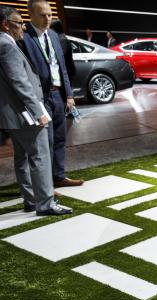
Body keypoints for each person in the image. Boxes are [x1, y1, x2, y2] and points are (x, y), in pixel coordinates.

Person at [0, 6, 72, 216]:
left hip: (13, 115)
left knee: (21, 158)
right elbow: (19, 82)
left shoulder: (5, 43)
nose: (22, 27)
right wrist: (37, 111)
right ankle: (46, 203)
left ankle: (31, 199)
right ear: (6, 24)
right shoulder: (7, 45)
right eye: (18, 23)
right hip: (26, 113)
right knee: (40, 156)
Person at [21, 0, 83, 187]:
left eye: (49, 14)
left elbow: (61, 67)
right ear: (30, 14)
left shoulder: (54, 36)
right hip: (39, 97)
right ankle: (45, 184)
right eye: (42, 15)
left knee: (59, 138)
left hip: (58, 95)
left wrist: (69, 95)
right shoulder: (23, 38)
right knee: (44, 142)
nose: (47, 18)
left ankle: (58, 176)